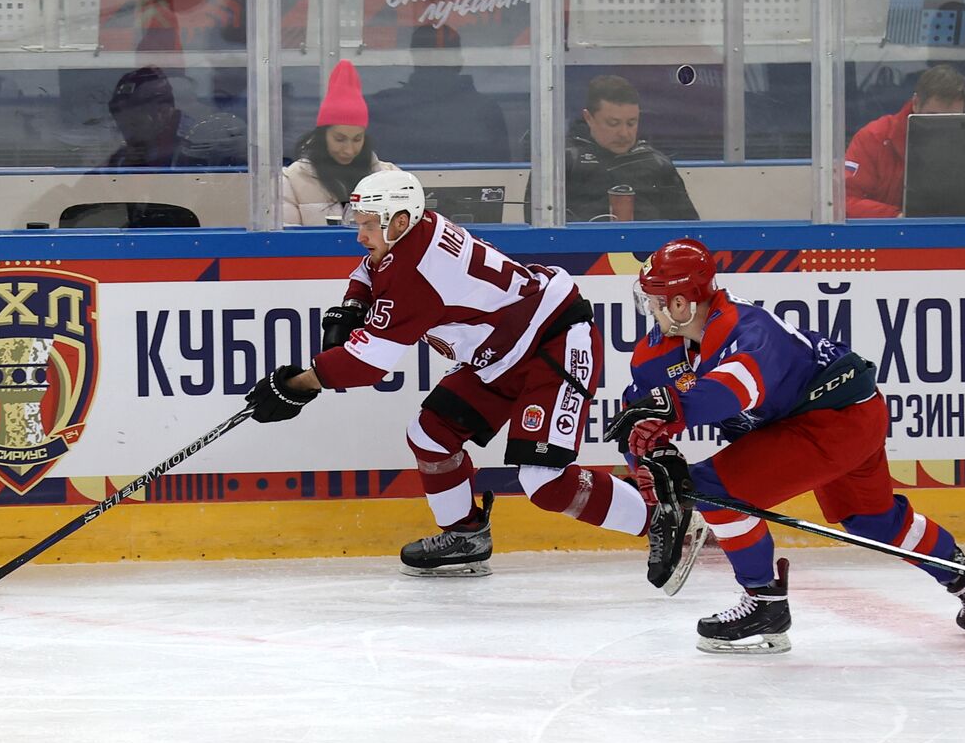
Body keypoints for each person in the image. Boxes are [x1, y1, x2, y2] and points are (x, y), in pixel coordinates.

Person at [246, 170, 683, 580]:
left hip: (554, 342)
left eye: (369, 224)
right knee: (431, 433)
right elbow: (370, 268)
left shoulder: (416, 274)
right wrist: (355, 302)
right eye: (357, 222)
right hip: (502, 353)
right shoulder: (413, 231)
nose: (361, 235)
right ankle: (466, 534)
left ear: (400, 221)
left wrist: (296, 386)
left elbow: (368, 363)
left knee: (543, 479)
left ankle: (661, 516)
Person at [604, 238, 965, 654]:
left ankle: (764, 605)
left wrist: (670, 415)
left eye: (656, 300)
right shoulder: (656, 353)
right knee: (871, 520)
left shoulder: (746, 327)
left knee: (716, 491)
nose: (651, 309)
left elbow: (732, 391)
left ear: (681, 304)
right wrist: (646, 465)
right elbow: (636, 415)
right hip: (847, 414)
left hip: (834, 418)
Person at [525, 74, 700, 222]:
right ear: (588, 118)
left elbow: (688, 228)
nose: (624, 133)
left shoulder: (656, 164)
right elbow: (536, 226)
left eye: (631, 123)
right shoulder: (560, 162)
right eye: (613, 123)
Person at [365, 25, 512, 164]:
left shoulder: (382, 107)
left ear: (413, 60)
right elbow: (505, 173)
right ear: (460, 61)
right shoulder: (486, 109)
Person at [282, 60, 398, 226]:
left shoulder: (390, 177)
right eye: (339, 139)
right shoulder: (292, 180)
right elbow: (288, 244)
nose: (349, 150)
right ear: (323, 136)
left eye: (357, 139)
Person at [845, 64, 965, 218]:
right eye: (932, 117)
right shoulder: (874, 138)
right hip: (886, 237)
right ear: (916, 103)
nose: (939, 127)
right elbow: (843, 202)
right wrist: (897, 218)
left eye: (950, 120)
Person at [105, 66, 194, 168]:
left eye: (133, 110)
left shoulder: (190, 159)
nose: (122, 122)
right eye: (117, 113)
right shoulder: (115, 162)